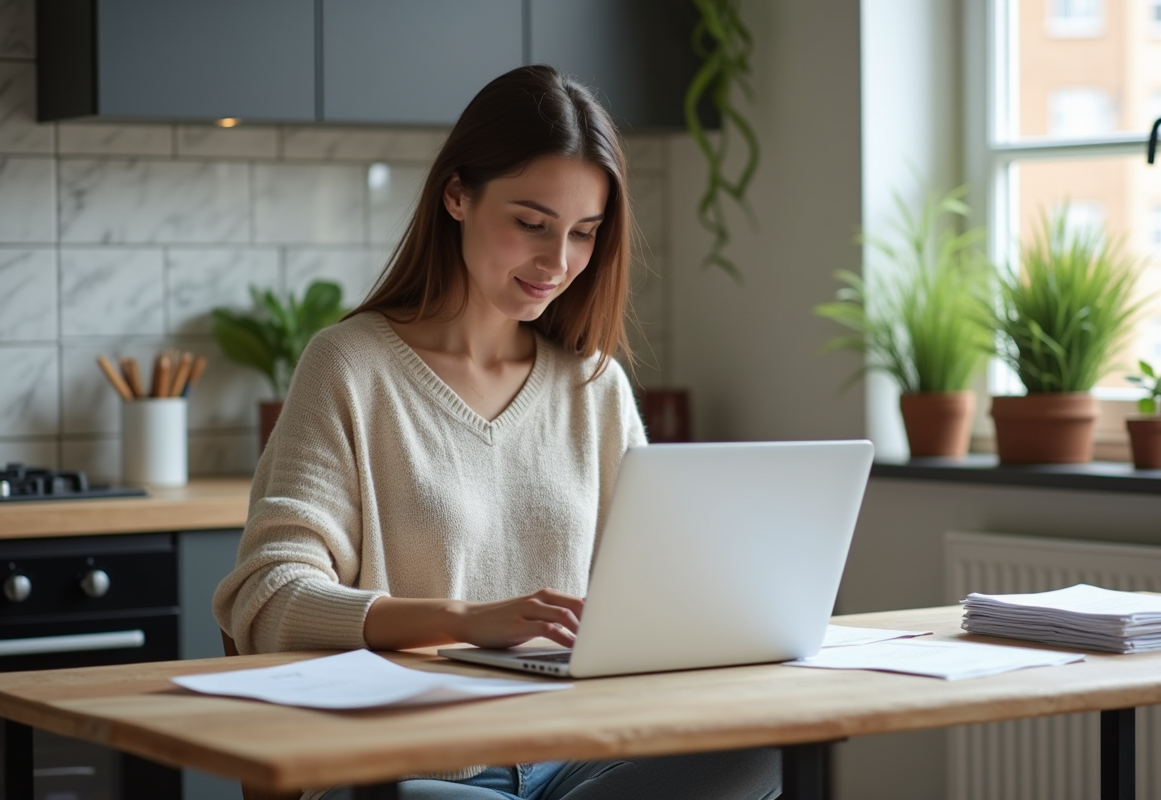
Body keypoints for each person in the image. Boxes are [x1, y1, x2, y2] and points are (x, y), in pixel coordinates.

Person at [213, 64, 779, 800]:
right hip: (417, 765)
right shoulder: (351, 367)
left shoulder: (594, 387)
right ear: (457, 194)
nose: (559, 263)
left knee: (773, 752)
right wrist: (466, 621)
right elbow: (268, 599)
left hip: (576, 754)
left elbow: (650, 593)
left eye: (584, 234)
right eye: (531, 224)